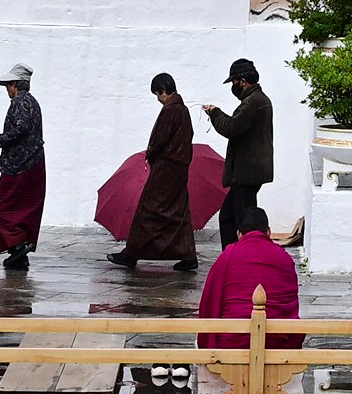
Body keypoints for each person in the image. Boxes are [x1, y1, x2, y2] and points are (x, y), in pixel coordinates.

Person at [113, 69, 198, 270]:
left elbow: (159, 139)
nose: (158, 99)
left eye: (157, 95)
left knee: (148, 209)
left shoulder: (170, 110)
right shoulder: (183, 110)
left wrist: (150, 154)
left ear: (163, 90)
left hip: (165, 169)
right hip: (180, 169)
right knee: (179, 211)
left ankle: (132, 253)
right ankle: (187, 255)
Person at [197, 211, 305, 352]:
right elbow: (290, 307)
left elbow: (209, 303)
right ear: (269, 232)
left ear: (239, 234)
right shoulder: (284, 258)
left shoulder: (227, 256)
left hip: (232, 343)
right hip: (276, 344)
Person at [201, 57, 273, 245]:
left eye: (234, 82)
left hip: (246, 172)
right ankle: (233, 255)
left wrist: (215, 113)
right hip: (249, 171)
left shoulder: (252, 102)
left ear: (242, 81)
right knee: (228, 217)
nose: (233, 86)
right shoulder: (259, 99)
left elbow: (232, 128)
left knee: (244, 221)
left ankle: (245, 255)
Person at [0, 63, 47, 271]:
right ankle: (18, 255)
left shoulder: (20, 102)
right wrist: (2, 159)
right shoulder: (32, 102)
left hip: (20, 166)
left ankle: (18, 243)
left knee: (1, 205)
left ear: (15, 84)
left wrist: (0, 139)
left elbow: (21, 128)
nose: (7, 90)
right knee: (23, 207)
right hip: (33, 162)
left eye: (8, 85)